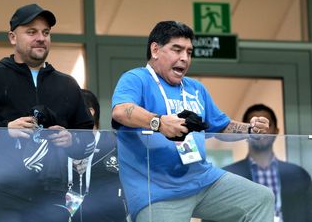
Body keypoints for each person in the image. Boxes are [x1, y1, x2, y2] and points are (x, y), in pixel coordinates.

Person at [111, 20, 275, 222]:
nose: (184, 58)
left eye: (189, 52)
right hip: (158, 191)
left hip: (203, 180)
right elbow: (120, 111)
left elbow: (222, 126)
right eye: (177, 50)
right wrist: (159, 123)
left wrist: (250, 129)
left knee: (260, 198)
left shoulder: (195, 88)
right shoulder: (136, 78)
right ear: (155, 49)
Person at [0, 3, 94, 222]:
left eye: (46, 32)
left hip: (52, 196)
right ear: (12, 37)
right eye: (31, 32)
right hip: (1, 192)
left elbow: (89, 142)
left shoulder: (67, 84)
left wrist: (71, 140)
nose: (41, 37)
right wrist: (4, 129)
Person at [223, 104, 312, 222]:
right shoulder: (226, 176)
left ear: (276, 131)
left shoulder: (299, 174)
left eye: (267, 124)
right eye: (253, 125)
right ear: (244, 132)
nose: (260, 130)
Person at [70, 89, 127, 222]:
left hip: (109, 215)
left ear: (90, 111)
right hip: (72, 214)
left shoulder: (114, 142)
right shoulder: (63, 144)